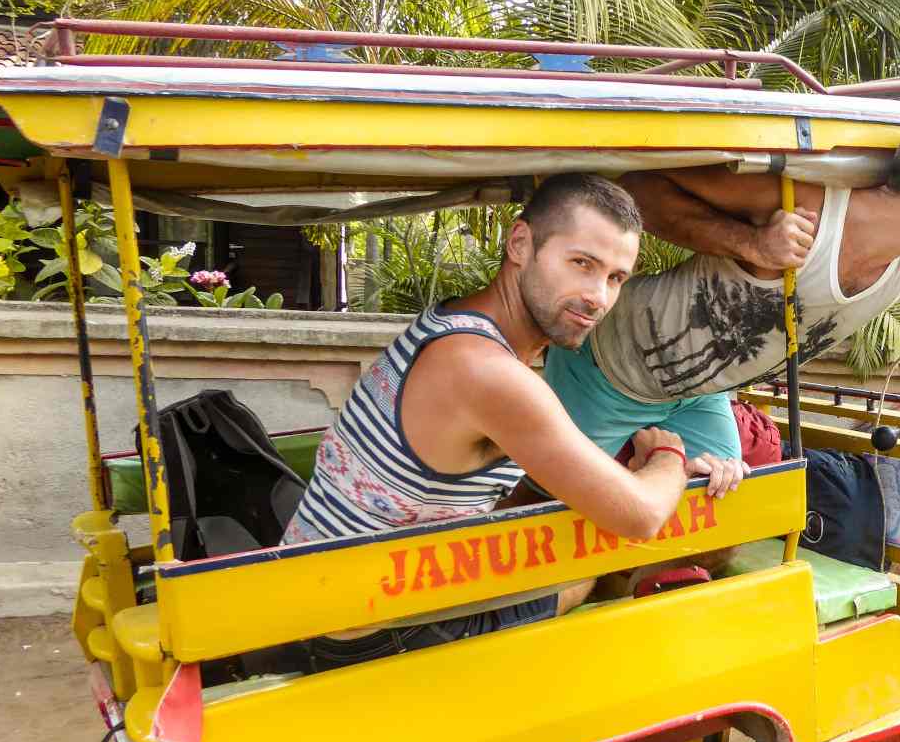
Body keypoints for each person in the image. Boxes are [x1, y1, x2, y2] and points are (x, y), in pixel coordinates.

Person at [281, 173, 743, 670]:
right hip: (360, 634)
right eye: (581, 264)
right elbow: (641, 514)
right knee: (581, 574)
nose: (597, 297)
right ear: (520, 243)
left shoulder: (459, 330)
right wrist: (669, 457)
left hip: (325, 599)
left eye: (614, 278)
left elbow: (521, 487)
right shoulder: (487, 372)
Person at [542, 100, 900, 466]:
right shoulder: (808, 208)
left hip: (697, 396)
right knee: (547, 519)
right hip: (607, 369)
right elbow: (637, 188)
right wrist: (748, 244)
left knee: (728, 523)